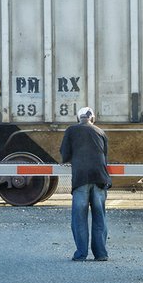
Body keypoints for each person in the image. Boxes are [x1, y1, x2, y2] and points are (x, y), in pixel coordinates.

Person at [60, 107, 112, 261]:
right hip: (100, 178)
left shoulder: (71, 131)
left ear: (78, 118)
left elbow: (65, 155)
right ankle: (101, 254)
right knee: (99, 216)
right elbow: (105, 155)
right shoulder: (101, 132)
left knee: (79, 217)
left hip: (81, 178)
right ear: (92, 119)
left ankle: (81, 254)